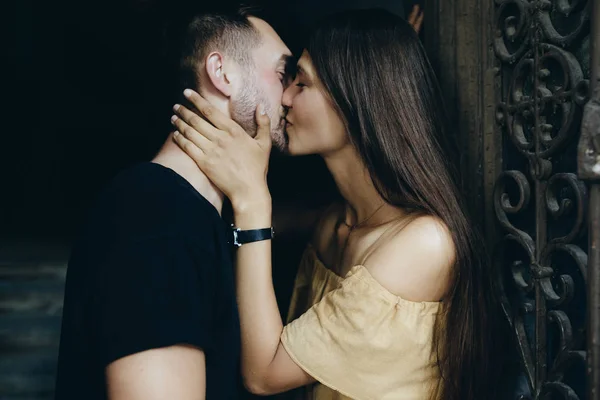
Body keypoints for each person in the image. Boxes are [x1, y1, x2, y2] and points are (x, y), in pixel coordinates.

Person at [170, 8, 503, 400]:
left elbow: (263, 375)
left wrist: (252, 202)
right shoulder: (335, 223)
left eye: (301, 82)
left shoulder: (424, 244)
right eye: (287, 78)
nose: (286, 99)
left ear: (355, 98)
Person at [54, 7, 293, 400]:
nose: (288, 94)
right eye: (281, 74)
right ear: (222, 73)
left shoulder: (186, 213)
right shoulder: (157, 217)